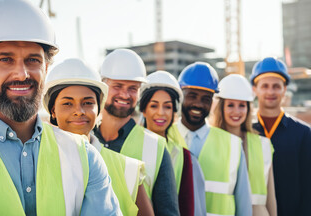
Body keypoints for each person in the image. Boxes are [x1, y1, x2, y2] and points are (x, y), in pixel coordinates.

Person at [0, 0, 121, 216]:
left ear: (47, 67)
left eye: (33, 60)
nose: (22, 74)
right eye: (6, 59)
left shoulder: (84, 157)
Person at [42, 57, 154, 216]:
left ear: (99, 108)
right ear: (53, 110)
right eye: (67, 103)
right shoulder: (35, 161)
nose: (79, 111)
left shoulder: (128, 170)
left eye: (88, 103)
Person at [94, 49, 180, 216]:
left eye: (133, 88)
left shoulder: (156, 147)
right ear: (102, 87)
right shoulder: (83, 138)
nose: (125, 94)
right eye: (117, 86)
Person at [176, 62, 252, 216]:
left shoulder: (233, 145)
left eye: (206, 98)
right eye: (192, 96)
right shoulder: (163, 138)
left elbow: (244, 205)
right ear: (180, 95)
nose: (198, 104)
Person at [139, 70, 206, 216]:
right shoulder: (128, 146)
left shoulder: (184, 156)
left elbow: (187, 207)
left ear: (174, 112)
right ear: (143, 110)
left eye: (167, 106)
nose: (161, 113)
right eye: (154, 106)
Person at [250, 57, 311, 216]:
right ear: (254, 89)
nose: (270, 92)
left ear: (285, 89)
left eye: (276, 86)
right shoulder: (246, 132)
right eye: (265, 86)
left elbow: (308, 188)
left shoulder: (304, 133)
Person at [211, 74, 277, 216]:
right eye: (230, 105)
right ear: (221, 108)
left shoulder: (263, 144)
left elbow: (271, 197)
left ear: (248, 109)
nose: (236, 111)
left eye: (242, 105)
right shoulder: (208, 141)